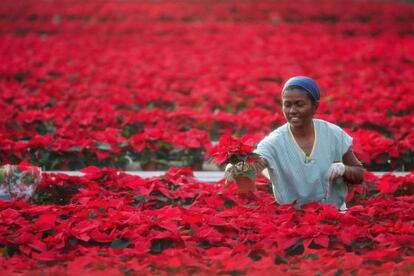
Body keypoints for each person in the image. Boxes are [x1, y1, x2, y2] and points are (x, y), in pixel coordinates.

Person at [225, 76, 364, 210]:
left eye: (299, 104)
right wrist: (239, 169)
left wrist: (344, 169)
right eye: (287, 105)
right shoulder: (273, 142)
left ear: (315, 106)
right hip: (292, 220)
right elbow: (255, 166)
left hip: (334, 216)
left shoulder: (333, 134)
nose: (292, 111)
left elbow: (359, 174)